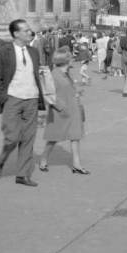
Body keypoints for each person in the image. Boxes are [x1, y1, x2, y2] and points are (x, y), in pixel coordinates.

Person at [0, 19, 44, 187]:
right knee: (12, 137)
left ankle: (22, 175)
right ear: (16, 34)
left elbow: (36, 74)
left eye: (30, 30)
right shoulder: (3, 52)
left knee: (28, 138)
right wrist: (5, 99)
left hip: (32, 99)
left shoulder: (34, 52)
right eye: (26, 30)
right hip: (13, 99)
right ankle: (1, 159)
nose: (30, 33)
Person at [38, 47, 88, 175]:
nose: (73, 59)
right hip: (59, 111)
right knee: (53, 138)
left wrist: (77, 91)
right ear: (65, 60)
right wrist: (61, 107)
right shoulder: (53, 74)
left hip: (73, 109)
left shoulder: (66, 73)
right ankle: (44, 158)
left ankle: (76, 164)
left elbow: (67, 89)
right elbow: (49, 94)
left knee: (75, 136)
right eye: (71, 58)